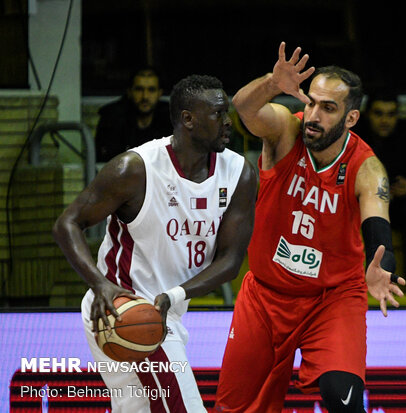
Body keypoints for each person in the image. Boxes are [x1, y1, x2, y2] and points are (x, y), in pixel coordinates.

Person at [214, 42, 406, 412]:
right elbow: (242, 107)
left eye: (328, 108)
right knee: (231, 408)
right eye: (311, 102)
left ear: (351, 119)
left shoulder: (366, 167)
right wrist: (273, 83)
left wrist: (382, 265)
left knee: (342, 398)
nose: (314, 115)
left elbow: (377, 219)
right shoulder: (287, 130)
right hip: (267, 294)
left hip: (332, 298)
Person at [53, 74, 257, 412]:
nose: (228, 122)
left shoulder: (239, 174)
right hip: (123, 308)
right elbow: (67, 224)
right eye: (218, 114)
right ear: (188, 119)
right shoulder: (136, 168)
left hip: (166, 311)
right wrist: (100, 284)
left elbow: (230, 260)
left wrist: (174, 296)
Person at [355, 90, 406, 291]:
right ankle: (361, 283)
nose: (385, 120)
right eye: (379, 113)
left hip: (398, 202)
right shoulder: (357, 132)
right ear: (368, 114)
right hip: (363, 203)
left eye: (391, 114)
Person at [95, 67, 173, 162]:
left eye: (151, 90)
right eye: (139, 89)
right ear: (130, 92)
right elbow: (107, 160)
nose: (145, 96)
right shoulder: (113, 117)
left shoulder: (170, 117)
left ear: (159, 93)